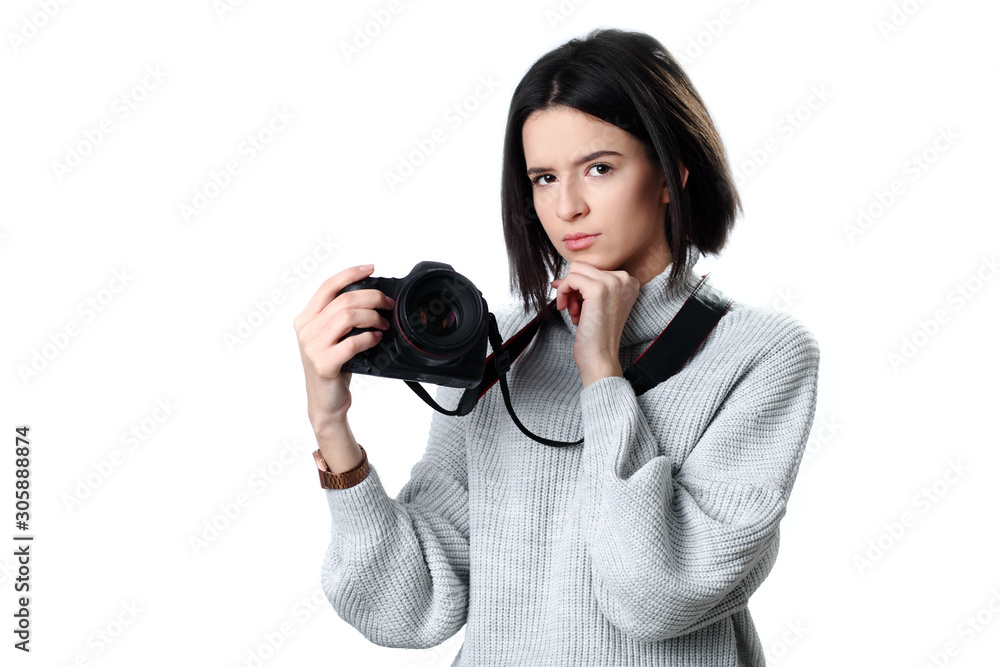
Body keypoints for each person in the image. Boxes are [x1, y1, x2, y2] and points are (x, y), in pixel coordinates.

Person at [294, 28, 820, 666]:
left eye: (599, 168)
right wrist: (331, 425)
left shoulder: (761, 355)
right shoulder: (501, 349)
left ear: (669, 175)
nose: (567, 206)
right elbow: (410, 608)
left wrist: (601, 374)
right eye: (543, 177)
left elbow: (658, 596)